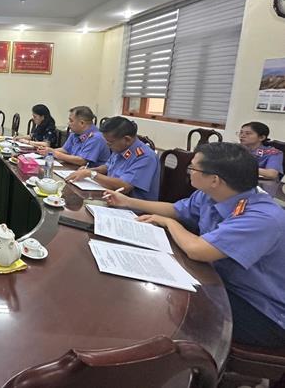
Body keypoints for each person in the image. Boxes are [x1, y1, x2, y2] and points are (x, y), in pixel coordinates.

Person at [103, 142, 285, 348]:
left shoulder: (262, 217)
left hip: (260, 308)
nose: (188, 171)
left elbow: (197, 250)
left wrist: (170, 224)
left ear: (214, 179)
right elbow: (176, 209)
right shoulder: (212, 194)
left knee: (171, 308)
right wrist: (127, 202)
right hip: (221, 280)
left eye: (193, 168)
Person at [67, 116, 159, 200]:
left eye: (110, 143)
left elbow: (124, 186)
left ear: (127, 139)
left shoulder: (145, 157)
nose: (107, 145)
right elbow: (108, 167)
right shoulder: (120, 147)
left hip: (133, 208)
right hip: (111, 197)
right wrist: (89, 170)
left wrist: (91, 174)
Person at [37, 106, 110, 167]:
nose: (68, 123)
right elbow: (65, 150)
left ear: (82, 123)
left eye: (71, 121)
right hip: (75, 169)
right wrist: (47, 151)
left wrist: (54, 153)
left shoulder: (96, 138)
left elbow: (82, 161)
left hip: (91, 175)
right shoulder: (75, 133)